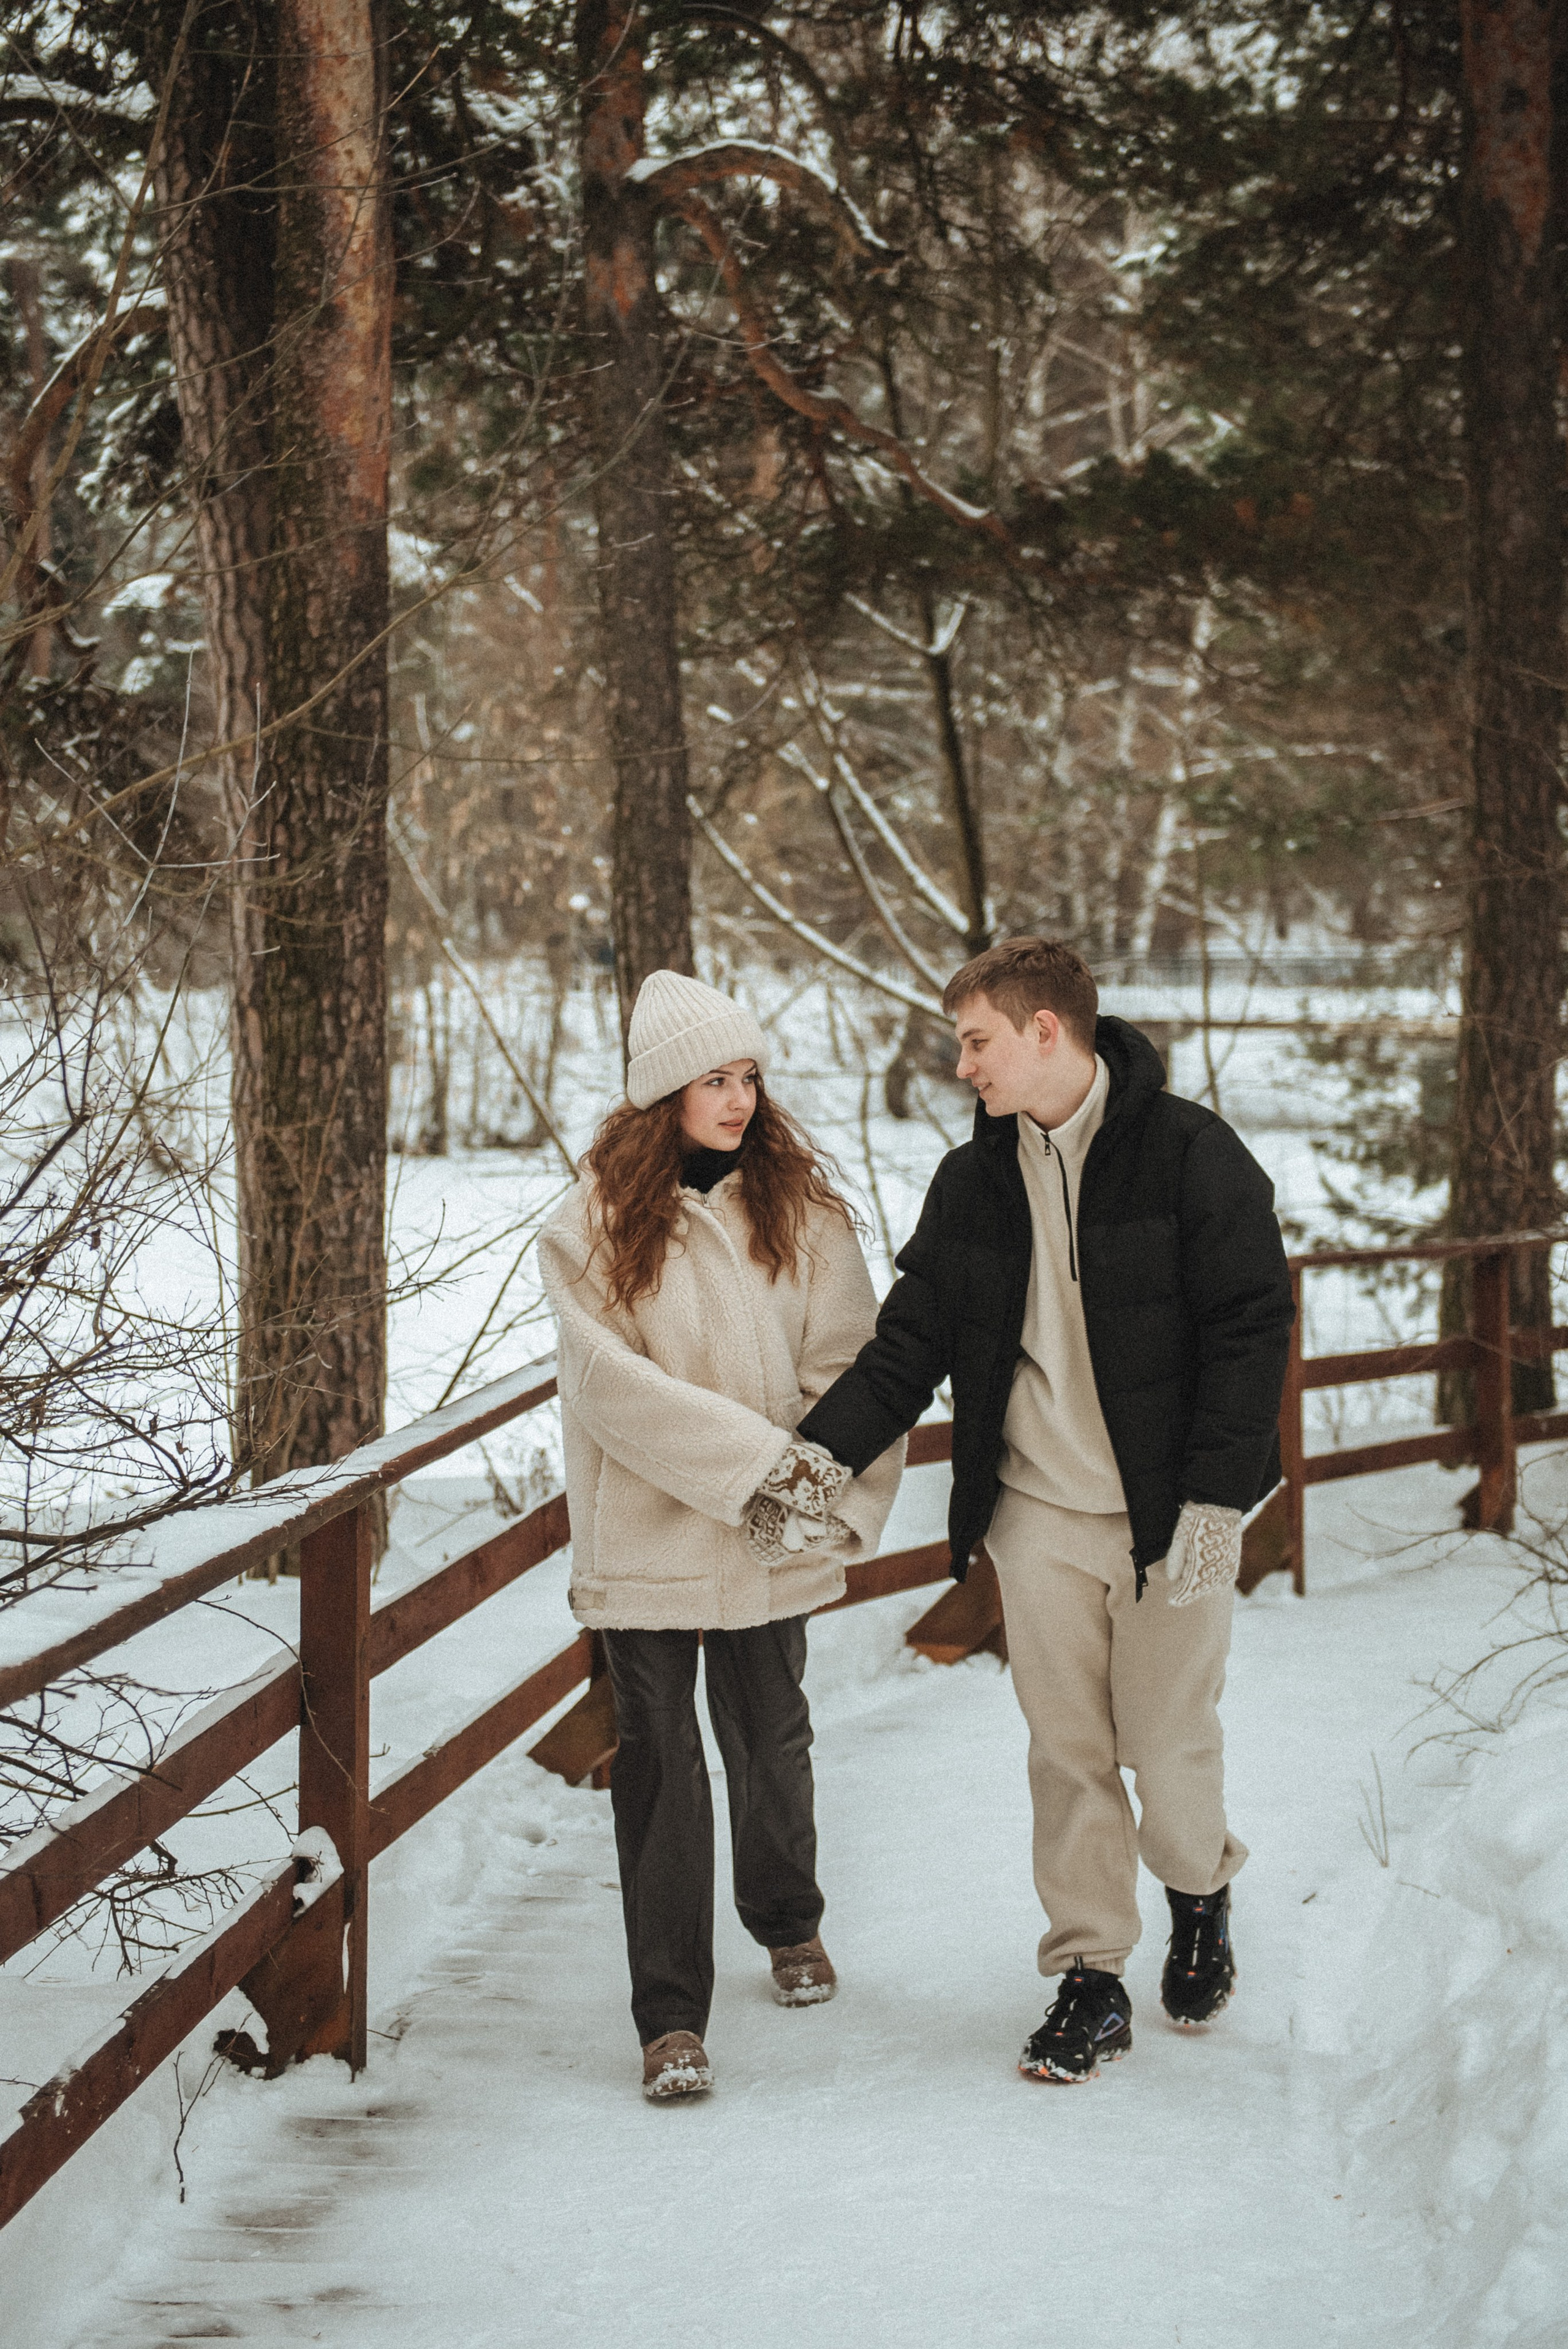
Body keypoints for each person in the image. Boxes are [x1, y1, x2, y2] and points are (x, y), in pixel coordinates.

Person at [798, 937, 1293, 2083]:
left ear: (1043, 1030)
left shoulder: (1191, 1154)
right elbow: (909, 1343)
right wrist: (816, 1459)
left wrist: (1219, 1496)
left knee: (1166, 1743)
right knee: (1068, 1752)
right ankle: (1091, 1972)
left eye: (976, 1041)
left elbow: (1252, 1323)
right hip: (1036, 1514)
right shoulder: (973, 1183)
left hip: (1172, 1516)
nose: (962, 1065)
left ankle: (1200, 1888)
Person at [540, 969, 903, 2101]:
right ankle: (670, 2018)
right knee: (659, 1762)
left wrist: (816, 1489)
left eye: (749, 1075)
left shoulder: (802, 1210)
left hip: (771, 1532)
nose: (740, 1097)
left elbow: (852, 1362)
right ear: (665, 1093)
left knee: (771, 1732)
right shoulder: (590, 1222)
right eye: (714, 1079)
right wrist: (756, 1467)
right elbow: (609, 1387)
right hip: (649, 1533)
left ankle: (788, 1919)